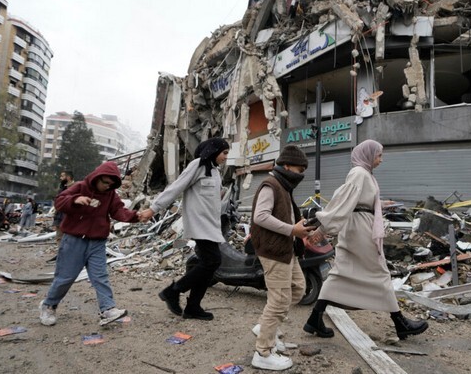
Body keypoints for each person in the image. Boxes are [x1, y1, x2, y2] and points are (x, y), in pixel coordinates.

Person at [303, 140, 428, 340]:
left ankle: (314, 318)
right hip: (360, 228)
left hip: (358, 225)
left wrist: (381, 203)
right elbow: (343, 201)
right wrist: (323, 229)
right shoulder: (359, 173)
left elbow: (359, 200)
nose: (380, 159)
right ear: (368, 155)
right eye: (378, 155)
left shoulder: (364, 174)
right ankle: (399, 322)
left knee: (341, 271)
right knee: (379, 271)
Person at [137, 138, 230, 321]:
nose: (226, 157)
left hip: (211, 225)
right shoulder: (198, 165)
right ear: (214, 150)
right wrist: (153, 208)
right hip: (199, 224)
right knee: (212, 261)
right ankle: (173, 291)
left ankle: (193, 307)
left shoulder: (215, 171)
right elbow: (176, 187)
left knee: (208, 266)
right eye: (224, 153)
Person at [39, 161, 140, 327]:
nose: (107, 186)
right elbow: (59, 202)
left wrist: (136, 216)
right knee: (65, 277)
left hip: (97, 242)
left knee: (100, 277)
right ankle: (48, 305)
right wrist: (75, 199)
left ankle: (107, 309)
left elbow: (118, 211)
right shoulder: (79, 187)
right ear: (97, 178)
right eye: (105, 182)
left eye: (111, 184)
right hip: (74, 240)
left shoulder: (111, 194)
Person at [249, 145, 315, 371]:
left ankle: (265, 327)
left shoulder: (284, 186)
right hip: (273, 250)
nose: (301, 174)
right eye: (299, 169)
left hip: (288, 249)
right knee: (278, 300)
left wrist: (300, 232)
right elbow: (260, 216)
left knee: (297, 288)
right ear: (286, 166)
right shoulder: (271, 184)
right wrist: (291, 230)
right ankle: (263, 352)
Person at [52, 171, 75, 246]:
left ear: (68, 177)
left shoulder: (76, 187)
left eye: (62, 176)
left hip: (70, 218)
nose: (60, 178)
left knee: (70, 239)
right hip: (59, 217)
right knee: (59, 238)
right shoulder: (62, 188)